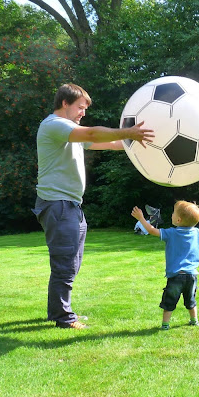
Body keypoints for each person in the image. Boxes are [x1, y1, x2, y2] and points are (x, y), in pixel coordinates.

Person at [33, 83, 155, 329]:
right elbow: (91, 134)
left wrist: (142, 141)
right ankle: (63, 318)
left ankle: (59, 311)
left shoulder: (70, 132)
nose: (83, 113)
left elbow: (109, 143)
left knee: (71, 263)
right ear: (65, 103)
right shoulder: (54, 125)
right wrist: (128, 132)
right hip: (58, 205)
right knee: (65, 264)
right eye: (80, 107)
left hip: (71, 206)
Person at [131, 201, 199, 330]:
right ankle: (194, 321)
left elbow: (151, 230)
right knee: (191, 300)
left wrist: (141, 218)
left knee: (169, 301)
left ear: (178, 219)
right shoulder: (196, 233)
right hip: (192, 276)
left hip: (176, 276)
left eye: (173, 213)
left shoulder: (171, 233)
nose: (171, 215)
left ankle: (165, 325)